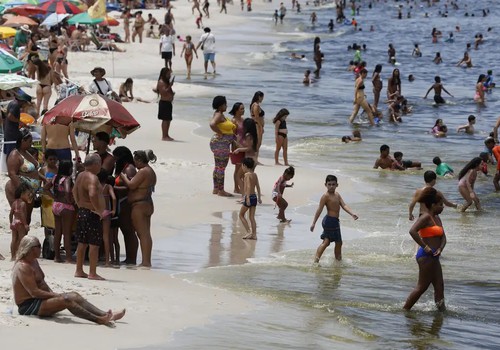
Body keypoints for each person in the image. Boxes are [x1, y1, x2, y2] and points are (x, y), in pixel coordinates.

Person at [12, 236, 125, 325]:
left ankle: (105, 314)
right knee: (66, 300)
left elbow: (42, 283)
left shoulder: (34, 261)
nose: (41, 248)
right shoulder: (24, 266)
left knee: (74, 295)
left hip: (39, 299)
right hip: (28, 305)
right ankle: (98, 319)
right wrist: (56, 296)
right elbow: (34, 292)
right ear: (32, 249)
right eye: (39, 246)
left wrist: (55, 294)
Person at [403, 187, 447, 311]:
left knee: (439, 286)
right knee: (422, 287)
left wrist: (441, 248)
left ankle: (441, 313)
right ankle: (405, 310)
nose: (442, 207)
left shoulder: (437, 219)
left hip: (435, 256)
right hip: (425, 256)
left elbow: (444, 237)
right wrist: (425, 246)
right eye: (440, 205)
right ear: (433, 205)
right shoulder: (425, 217)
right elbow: (412, 231)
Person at [120, 150, 156, 268]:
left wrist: (123, 176)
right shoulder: (151, 171)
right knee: (146, 233)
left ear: (140, 160)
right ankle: (146, 260)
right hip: (147, 203)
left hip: (139, 205)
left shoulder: (143, 171)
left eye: (135, 161)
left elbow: (131, 185)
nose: (134, 164)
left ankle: (146, 262)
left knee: (142, 234)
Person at [310, 175, 358, 262]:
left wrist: (352, 213)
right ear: (325, 185)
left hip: (335, 222)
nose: (331, 186)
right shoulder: (325, 196)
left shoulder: (337, 195)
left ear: (337, 185)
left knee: (338, 242)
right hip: (329, 221)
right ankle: (316, 261)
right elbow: (319, 210)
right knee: (327, 242)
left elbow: (344, 205)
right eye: (329, 184)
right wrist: (313, 223)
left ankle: (338, 261)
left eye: (333, 184)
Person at [73, 154, 106, 280]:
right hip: (92, 214)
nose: (100, 166)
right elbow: (92, 194)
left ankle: (79, 270)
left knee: (82, 243)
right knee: (94, 244)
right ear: (95, 164)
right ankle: (92, 272)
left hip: (82, 212)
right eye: (99, 163)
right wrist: (98, 210)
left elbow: (74, 191)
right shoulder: (93, 178)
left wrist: (79, 203)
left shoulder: (80, 175)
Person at [6, 128, 40, 224]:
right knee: (22, 218)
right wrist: (24, 191)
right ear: (22, 141)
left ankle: (23, 238)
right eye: (29, 141)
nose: (31, 144)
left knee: (27, 219)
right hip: (22, 191)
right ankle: (19, 239)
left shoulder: (26, 153)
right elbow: (12, 174)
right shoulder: (15, 155)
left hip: (30, 191)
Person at [112, 147, 137, 265]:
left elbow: (131, 187)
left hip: (126, 201)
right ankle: (129, 257)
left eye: (116, 157)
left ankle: (132, 258)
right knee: (125, 230)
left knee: (129, 231)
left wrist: (113, 188)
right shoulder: (123, 168)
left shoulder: (130, 169)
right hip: (120, 201)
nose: (114, 159)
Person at [209, 96, 235, 197]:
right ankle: (221, 190)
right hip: (221, 143)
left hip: (219, 143)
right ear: (220, 105)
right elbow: (212, 124)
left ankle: (216, 188)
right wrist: (220, 133)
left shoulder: (218, 114)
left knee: (218, 166)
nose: (226, 106)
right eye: (225, 104)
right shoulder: (219, 115)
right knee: (221, 167)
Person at [52, 160, 75, 263]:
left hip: (56, 204)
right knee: (67, 233)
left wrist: (54, 196)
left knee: (58, 232)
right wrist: (69, 200)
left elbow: (46, 188)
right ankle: (69, 257)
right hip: (66, 206)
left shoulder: (55, 178)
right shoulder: (67, 179)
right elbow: (67, 190)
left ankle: (57, 256)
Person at [2, 94, 33, 159]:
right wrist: (21, 123)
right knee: (12, 153)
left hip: (9, 131)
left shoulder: (12, 103)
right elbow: (10, 116)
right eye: (26, 104)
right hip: (11, 133)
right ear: (23, 102)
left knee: (10, 152)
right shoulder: (15, 105)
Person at [239, 157, 262, 240]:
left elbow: (248, 186)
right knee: (252, 217)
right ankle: (254, 234)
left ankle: (249, 231)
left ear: (244, 165)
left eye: (242, 165)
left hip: (249, 197)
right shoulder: (254, 174)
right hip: (254, 197)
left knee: (241, 215)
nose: (242, 167)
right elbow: (258, 186)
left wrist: (247, 198)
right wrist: (259, 197)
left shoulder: (247, 175)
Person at [98, 170, 116, 267]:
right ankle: (107, 261)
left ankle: (95, 258)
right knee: (106, 237)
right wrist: (113, 209)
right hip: (106, 212)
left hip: (97, 212)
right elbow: (113, 198)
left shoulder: (96, 186)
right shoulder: (108, 186)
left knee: (96, 235)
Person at [9, 183, 32, 261]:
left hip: (14, 221)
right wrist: (25, 224)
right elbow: (22, 214)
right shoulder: (23, 204)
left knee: (14, 239)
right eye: (27, 195)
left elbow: (11, 213)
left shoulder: (14, 203)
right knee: (22, 239)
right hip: (20, 223)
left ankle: (12, 256)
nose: (29, 196)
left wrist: (11, 222)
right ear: (22, 194)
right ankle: (20, 255)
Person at [229, 103, 245, 194]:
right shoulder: (233, 121)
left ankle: (241, 185)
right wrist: (235, 148)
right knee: (237, 168)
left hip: (244, 147)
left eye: (243, 108)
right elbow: (232, 136)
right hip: (237, 147)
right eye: (241, 109)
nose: (243, 110)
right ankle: (236, 187)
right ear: (236, 110)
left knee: (243, 168)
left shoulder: (243, 120)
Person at [156, 67, 175, 141]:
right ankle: (164, 136)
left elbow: (169, 91)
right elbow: (164, 92)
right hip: (164, 103)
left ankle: (167, 134)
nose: (169, 75)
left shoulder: (166, 82)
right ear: (164, 74)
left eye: (170, 74)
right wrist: (170, 85)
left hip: (168, 103)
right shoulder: (161, 82)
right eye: (168, 74)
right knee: (165, 120)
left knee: (168, 119)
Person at [250, 91, 265, 163]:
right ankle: (254, 159)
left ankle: (255, 158)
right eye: (262, 97)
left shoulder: (255, 105)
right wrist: (260, 126)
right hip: (257, 125)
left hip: (257, 125)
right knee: (257, 142)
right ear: (259, 97)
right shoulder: (256, 105)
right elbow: (256, 117)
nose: (262, 99)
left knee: (258, 142)